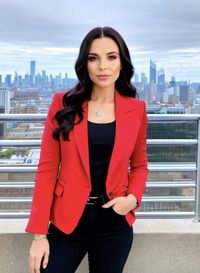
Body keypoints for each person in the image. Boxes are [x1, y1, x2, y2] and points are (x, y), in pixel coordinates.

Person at [26, 26, 148, 273]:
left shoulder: (136, 109)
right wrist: (39, 235)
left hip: (114, 222)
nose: (103, 66)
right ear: (85, 63)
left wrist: (132, 199)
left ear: (122, 63)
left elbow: (140, 164)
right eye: (94, 58)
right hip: (67, 221)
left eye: (111, 57)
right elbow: (47, 170)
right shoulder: (63, 104)